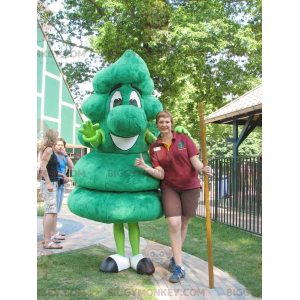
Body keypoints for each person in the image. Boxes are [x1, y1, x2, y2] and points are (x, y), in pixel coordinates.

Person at [134, 110, 211, 283]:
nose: (164, 125)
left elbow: (195, 161)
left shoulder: (184, 139)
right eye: (161, 122)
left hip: (190, 187)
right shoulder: (155, 147)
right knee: (174, 224)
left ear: (171, 123)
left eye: (167, 122)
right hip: (170, 187)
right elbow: (160, 174)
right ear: (157, 124)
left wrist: (203, 169)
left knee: (183, 223)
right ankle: (179, 267)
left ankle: (175, 259)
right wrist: (146, 168)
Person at [40, 129, 64, 249]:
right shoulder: (49, 149)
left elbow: (50, 169)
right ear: (53, 137)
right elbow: (43, 167)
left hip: (52, 182)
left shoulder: (49, 149)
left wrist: (62, 176)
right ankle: (48, 241)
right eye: (56, 137)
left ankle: (46, 239)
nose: (57, 138)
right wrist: (49, 184)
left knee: (48, 212)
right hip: (49, 184)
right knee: (51, 212)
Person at [54, 138, 74, 236]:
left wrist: (66, 154)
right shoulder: (53, 156)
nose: (60, 146)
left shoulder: (63, 156)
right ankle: (52, 232)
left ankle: (55, 231)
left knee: (57, 209)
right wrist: (63, 176)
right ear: (54, 145)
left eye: (62, 145)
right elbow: (50, 171)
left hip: (61, 184)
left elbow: (72, 166)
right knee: (53, 210)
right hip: (55, 183)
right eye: (58, 144)